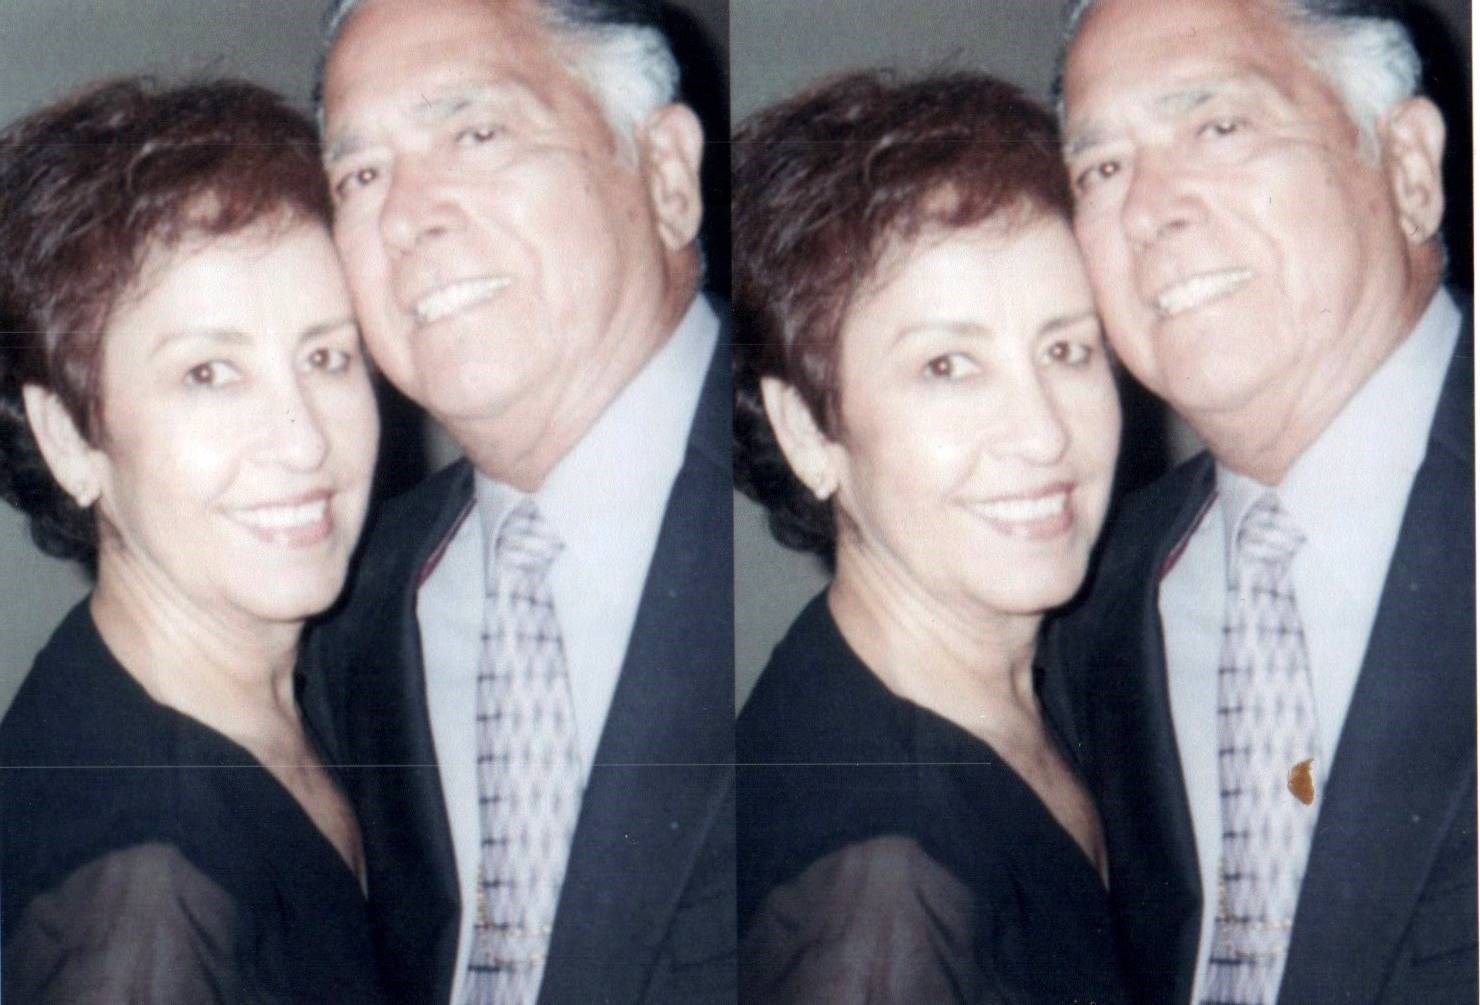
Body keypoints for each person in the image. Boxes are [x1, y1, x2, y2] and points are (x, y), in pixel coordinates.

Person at [297, 0, 733, 1002]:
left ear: (666, 175)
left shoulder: (853, 531)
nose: (405, 216)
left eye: (477, 133)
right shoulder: (346, 607)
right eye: (360, 176)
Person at [1045, 0, 1474, 1001]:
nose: (1147, 210)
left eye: (1219, 126)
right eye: (1100, 169)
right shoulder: (1085, 605)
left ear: (1408, 168)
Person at [733, 71, 1128, 1002]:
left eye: (1067, 349)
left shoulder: (1055, 675)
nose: (1043, 433)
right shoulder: (879, 889)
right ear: (808, 433)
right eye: (948, 365)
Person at [0, 79, 382, 1002]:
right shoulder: (141, 894)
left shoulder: (309, 681)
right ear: (69, 439)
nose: (304, 438)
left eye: (327, 356)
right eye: (210, 372)